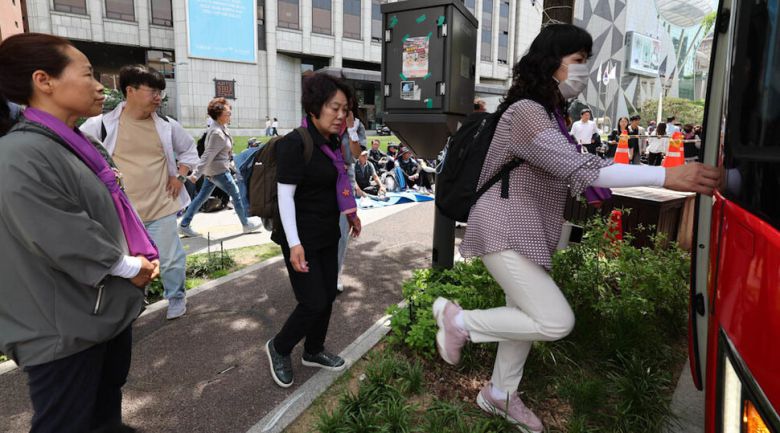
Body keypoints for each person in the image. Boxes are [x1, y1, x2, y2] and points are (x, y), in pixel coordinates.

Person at [433, 24, 720, 432]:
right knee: (554, 320)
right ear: (553, 63)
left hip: (526, 231)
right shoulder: (527, 113)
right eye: (579, 61)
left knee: (523, 314)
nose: (585, 70)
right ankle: (459, 322)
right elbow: (579, 168)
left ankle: (499, 394)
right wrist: (665, 177)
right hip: (503, 230)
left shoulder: (548, 115)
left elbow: (575, 174)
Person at [0, 33, 161, 433]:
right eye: (88, 74)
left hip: (95, 314)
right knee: (65, 422)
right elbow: (61, 233)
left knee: (102, 416)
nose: (99, 86)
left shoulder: (73, 141)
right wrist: (130, 267)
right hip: (62, 329)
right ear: (44, 80)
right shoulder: (19, 154)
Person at [266, 73, 362, 388]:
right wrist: (294, 244)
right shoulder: (295, 143)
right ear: (314, 108)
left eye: (344, 109)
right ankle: (279, 347)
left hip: (326, 233)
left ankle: (313, 349)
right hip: (301, 238)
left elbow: (337, 180)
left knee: (329, 294)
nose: (341, 115)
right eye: (334, 108)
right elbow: (285, 197)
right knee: (313, 301)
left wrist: (349, 213)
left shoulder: (333, 140)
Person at [81, 64, 199, 320]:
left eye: (160, 92)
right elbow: (78, 158)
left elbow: (190, 152)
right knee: (129, 265)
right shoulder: (99, 126)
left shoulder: (167, 125)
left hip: (161, 205)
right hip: (122, 214)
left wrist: (180, 175)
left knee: (171, 259)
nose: (159, 97)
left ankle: (176, 297)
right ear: (130, 90)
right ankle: (133, 305)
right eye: (153, 91)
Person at [178, 98, 262, 237]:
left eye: (230, 112)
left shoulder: (221, 128)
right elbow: (207, 155)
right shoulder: (217, 132)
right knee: (236, 195)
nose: (230, 115)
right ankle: (246, 224)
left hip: (213, 171)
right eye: (228, 113)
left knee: (201, 198)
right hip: (218, 171)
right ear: (219, 114)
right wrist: (195, 174)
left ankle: (184, 224)